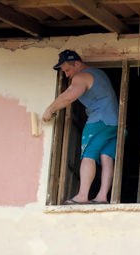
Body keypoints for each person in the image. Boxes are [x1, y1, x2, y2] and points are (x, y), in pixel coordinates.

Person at [43, 50, 120, 205]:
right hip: (115, 122)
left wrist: (49, 110)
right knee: (107, 158)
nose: (67, 75)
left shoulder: (82, 76)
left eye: (67, 70)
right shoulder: (100, 74)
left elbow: (69, 96)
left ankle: (82, 195)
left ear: (77, 64)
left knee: (88, 156)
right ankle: (102, 197)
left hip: (99, 121)